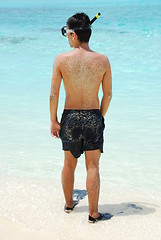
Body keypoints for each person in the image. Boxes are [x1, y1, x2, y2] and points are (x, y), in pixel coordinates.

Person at [50, 12, 112, 223]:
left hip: (70, 118)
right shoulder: (102, 60)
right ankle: (93, 214)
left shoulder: (61, 60)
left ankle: (69, 204)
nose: (66, 37)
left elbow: (54, 94)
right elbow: (109, 94)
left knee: (69, 163)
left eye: (66, 33)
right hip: (93, 115)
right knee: (92, 166)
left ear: (74, 35)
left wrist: (53, 120)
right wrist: (99, 118)